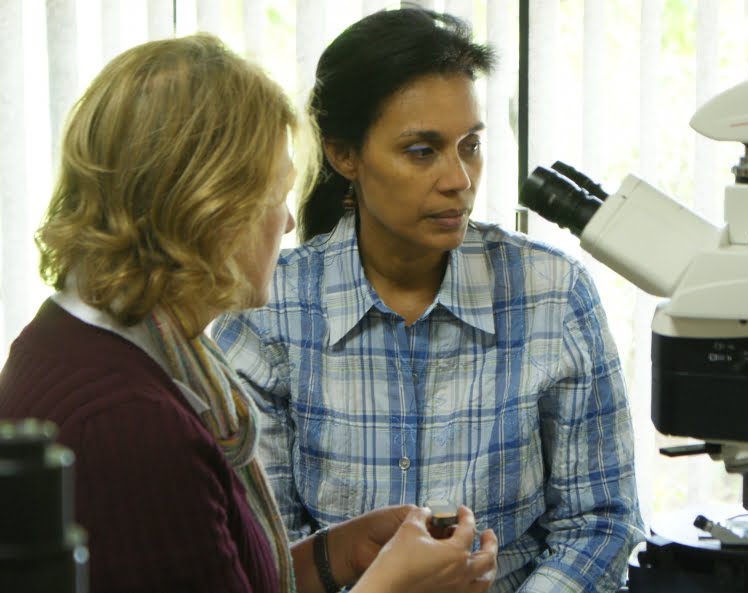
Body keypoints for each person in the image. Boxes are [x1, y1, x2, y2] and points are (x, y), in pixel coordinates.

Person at [0, 33, 497, 593]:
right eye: (274, 195)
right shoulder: (133, 429)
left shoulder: (69, 339)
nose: (286, 223)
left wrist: (336, 555)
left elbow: (209, 570)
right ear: (210, 207)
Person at [213, 7, 642, 593]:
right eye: (422, 151)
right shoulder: (271, 310)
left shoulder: (552, 293)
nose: (459, 179)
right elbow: (267, 555)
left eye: (469, 146)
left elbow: (600, 526)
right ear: (345, 156)